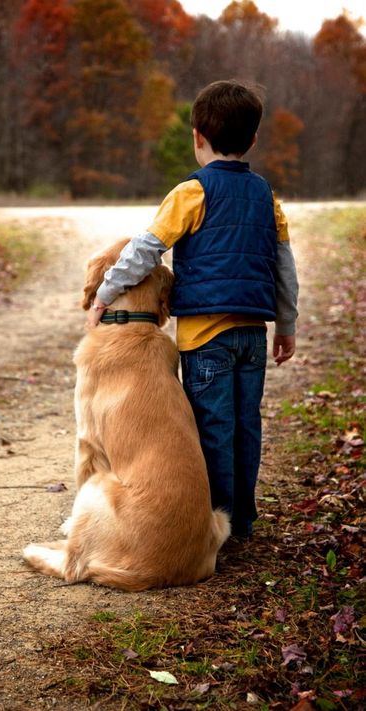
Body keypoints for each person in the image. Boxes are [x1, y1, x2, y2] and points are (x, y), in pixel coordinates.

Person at [87, 79, 299, 540]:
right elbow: (284, 267)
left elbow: (146, 249)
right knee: (246, 426)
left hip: (205, 339)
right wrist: (287, 324)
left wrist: (106, 292)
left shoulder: (192, 192)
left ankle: (213, 524)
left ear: (197, 136)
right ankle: (241, 519)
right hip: (252, 335)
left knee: (212, 430)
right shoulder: (268, 197)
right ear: (254, 139)